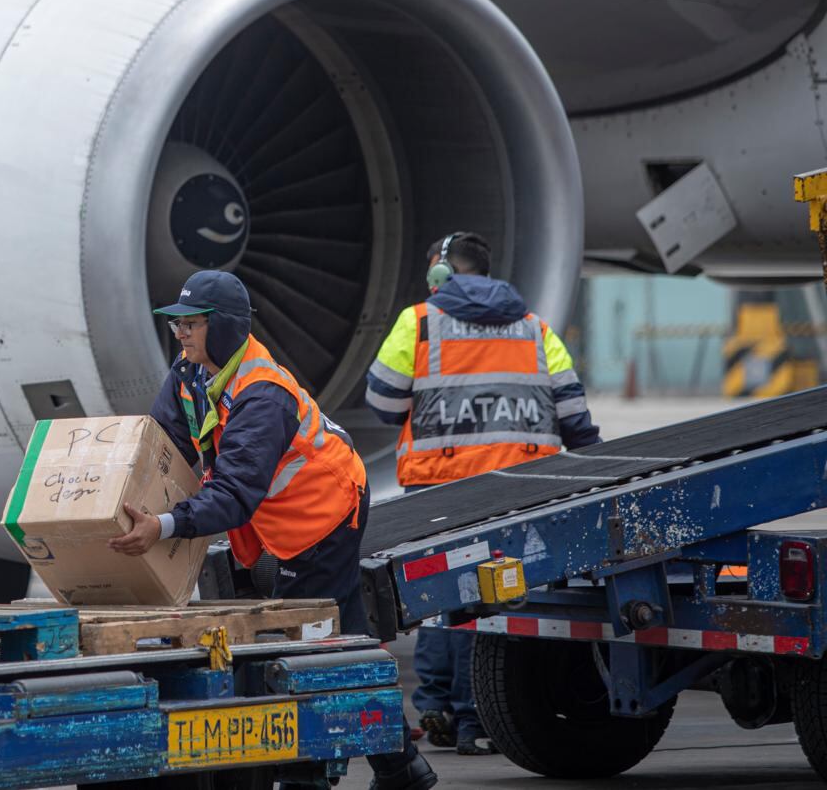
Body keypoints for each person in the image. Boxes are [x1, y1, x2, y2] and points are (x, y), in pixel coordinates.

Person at [112, 269, 437, 790]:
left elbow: (236, 495)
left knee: (307, 646)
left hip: (324, 513)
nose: (180, 335)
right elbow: (164, 443)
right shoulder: (189, 372)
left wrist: (166, 526)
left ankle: (304, 776)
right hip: (280, 515)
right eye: (176, 325)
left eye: (191, 325)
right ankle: (402, 768)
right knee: (347, 639)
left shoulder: (262, 394)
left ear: (224, 329)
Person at [366, 231, 600, 755]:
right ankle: (476, 721)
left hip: (436, 490)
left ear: (441, 273)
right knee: (493, 599)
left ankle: (436, 707)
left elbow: (382, 401)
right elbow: (575, 419)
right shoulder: (536, 329)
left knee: (437, 596)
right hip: (516, 491)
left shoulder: (420, 321)